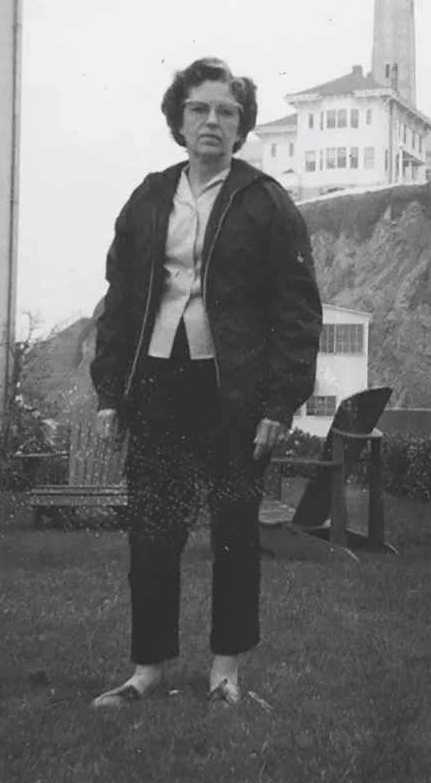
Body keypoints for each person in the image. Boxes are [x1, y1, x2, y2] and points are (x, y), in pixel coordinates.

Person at [88, 57, 323, 708]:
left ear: (241, 124)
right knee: (153, 529)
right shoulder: (149, 198)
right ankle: (148, 670)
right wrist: (111, 393)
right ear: (179, 119)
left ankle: (225, 674)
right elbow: (122, 300)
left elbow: (297, 311)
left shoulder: (265, 201)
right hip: (159, 383)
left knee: (233, 529)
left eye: (226, 111)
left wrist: (280, 400)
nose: (213, 121)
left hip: (233, 395)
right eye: (200, 109)